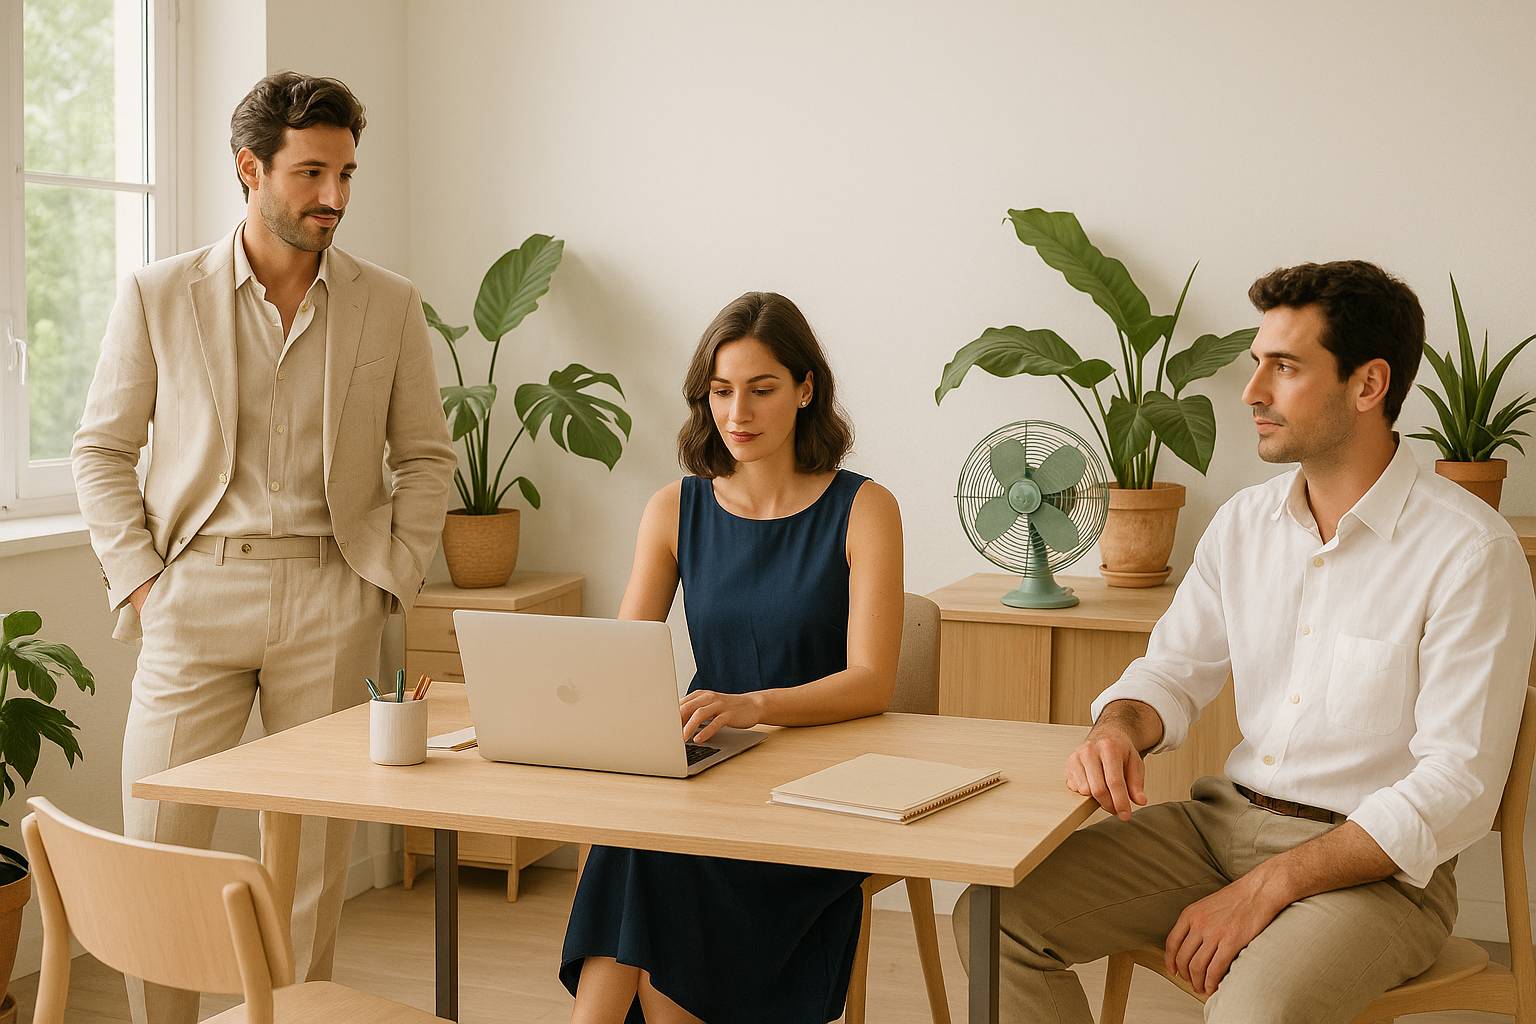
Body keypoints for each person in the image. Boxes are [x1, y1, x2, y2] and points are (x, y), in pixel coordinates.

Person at [953, 260, 1536, 1022]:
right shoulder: (1243, 525)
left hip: (1377, 876)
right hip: (1217, 828)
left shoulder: (1469, 551)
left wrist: (1271, 885)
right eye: (1259, 363)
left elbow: (1457, 787)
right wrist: (1117, 727)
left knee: (1251, 1012)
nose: (1252, 391)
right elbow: (1170, 671)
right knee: (994, 917)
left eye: (1284, 367)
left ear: (1368, 385)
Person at [71, 71, 454, 1024]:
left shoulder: (389, 302)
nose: (334, 196)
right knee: (159, 839)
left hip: (332, 591)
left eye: (346, 174)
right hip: (193, 592)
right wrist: (144, 583)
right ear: (251, 168)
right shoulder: (160, 294)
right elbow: (102, 450)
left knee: (311, 859)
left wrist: (388, 581)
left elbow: (425, 456)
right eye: (311, 172)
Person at [560, 292, 904, 1023]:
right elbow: (621, 660)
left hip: (817, 793)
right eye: (721, 392)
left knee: (645, 857)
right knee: (642, 843)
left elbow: (872, 682)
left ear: (806, 389)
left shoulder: (864, 509)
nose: (737, 413)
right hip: (706, 772)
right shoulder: (674, 509)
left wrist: (754, 706)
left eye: (761, 389)